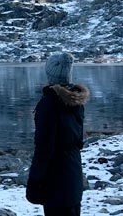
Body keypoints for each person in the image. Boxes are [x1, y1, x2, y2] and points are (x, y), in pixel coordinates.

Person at [25, 52, 89, 216]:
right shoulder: (76, 101)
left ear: (50, 74)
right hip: (73, 174)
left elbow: (44, 147)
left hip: (55, 179)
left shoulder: (49, 103)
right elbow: (78, 141)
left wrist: (34, 180)